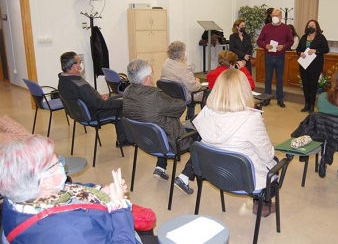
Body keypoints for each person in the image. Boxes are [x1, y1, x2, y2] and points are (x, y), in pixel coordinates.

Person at [0, 135, 140, 243]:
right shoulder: (69, 232)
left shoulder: (19, 198)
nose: (62, 163)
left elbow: (69, 191)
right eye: (58, 162)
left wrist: (103, 190)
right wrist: (121, 207)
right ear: (46, 182)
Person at [193, 69, 278, 217]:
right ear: (244, 91)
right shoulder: (251, 119)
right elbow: (267, 155)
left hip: (215, 173)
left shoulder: (205, 113)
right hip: (245, 180)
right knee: (274, 162)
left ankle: (260, 203)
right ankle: (263, 203)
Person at [122, 59, 195, 195]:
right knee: (199, 141)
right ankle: (184, 177)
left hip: (144, 141)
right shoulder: (155, 95)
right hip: (169, 143)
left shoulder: (127, 92)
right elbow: (180, 106)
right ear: (148, 78)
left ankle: (160, 167)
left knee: (159, 123)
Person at [58, 51, 130, 147]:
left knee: (121, 97)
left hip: (79, 112)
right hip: (93, 113)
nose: (81, 64)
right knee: (123, 106)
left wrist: (98, 96)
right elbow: (101, 105)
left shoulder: (63, 80)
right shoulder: (79, 85)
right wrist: (124, 103)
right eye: (80, 62)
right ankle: (123, 140)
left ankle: (124, 137)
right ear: (74, 66)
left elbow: (88, 96)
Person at [257, 9, 294, 108]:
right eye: (273, 15)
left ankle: (280, 99)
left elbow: (291, 41)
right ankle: (267, 98)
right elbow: (259, 41)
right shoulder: (266, 27)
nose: (274, 17)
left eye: (276, 15)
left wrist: (283, 46)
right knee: (268, 78)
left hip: (280, 56)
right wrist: (265, 45)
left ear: (280, 17)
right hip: (268, 56)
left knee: (279, 79)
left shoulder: (286, 28)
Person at [296, 19, 330, 113]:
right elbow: (298, 49)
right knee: (305, 84)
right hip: (304, 64)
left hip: (316, 64)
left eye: (313, 26)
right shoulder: (303, 37)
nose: (311, 27)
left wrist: (316, 51)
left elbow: (326, 49)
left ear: (316, 28)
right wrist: (300, 53)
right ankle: (306, 103)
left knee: (313, 84)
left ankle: (312, 104)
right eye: (309, 26)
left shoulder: (320, 37)